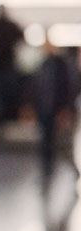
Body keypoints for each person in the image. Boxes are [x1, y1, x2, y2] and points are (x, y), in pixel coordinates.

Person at [32, 38, 79, 184]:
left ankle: (73, 171)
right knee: (46, 142)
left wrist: (66, 108)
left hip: (58, 110)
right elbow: (37, 88)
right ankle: (47, 170)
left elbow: (69, 88)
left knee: (63, 144)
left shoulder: (62, 66)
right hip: (45, 109)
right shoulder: (43, 65)